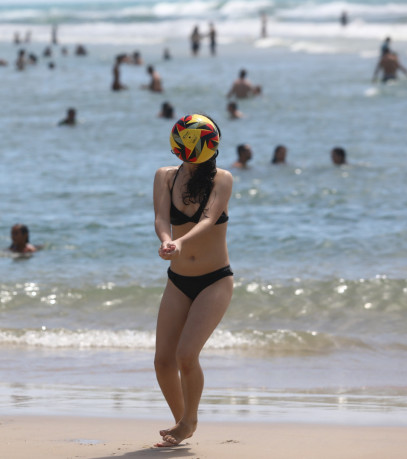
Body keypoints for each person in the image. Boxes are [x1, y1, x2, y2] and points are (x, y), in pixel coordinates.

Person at [152, 114, 233, 448]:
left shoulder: (223, 179)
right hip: (178, 280)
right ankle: (181, 423)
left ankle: (189, 422)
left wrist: (182, 242)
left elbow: (210, 218)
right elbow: (160, 217)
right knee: (162, 360)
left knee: (187, 354)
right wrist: (166, 239)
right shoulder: (164, 176)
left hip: (214, 280)